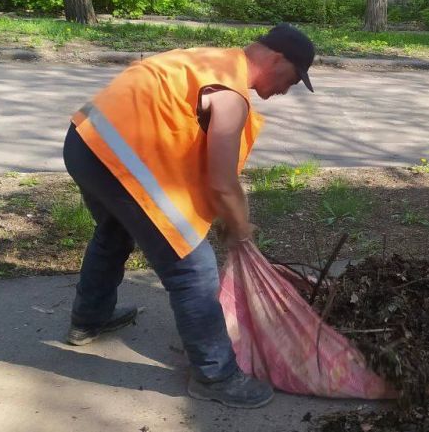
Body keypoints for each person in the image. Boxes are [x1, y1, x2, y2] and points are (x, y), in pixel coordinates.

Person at [60, 23, 316, 409]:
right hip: (118, 158)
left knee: (114, 230)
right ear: (277, 59)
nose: (288, 89)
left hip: (86, 141)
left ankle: (89, 318)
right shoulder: (229, 94)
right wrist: (241, 229)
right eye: (294, 78)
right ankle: (216, 374)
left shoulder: (209, 60)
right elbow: (222, 182)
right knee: (192, 267)